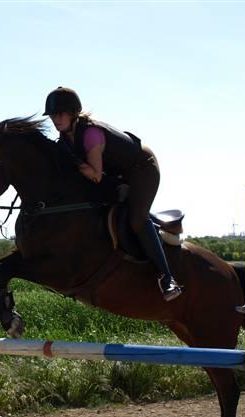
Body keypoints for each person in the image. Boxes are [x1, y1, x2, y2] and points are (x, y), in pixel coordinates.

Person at [44, 86, 182, 301]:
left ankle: (167, 278)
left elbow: (96, 175)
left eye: (59, 114)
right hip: (116, 172)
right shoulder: (66, 139)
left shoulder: (91, 133)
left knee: (137, 220)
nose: (55, 119)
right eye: (52, 115)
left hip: (142, 168)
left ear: (73, 113)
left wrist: (73, 161)